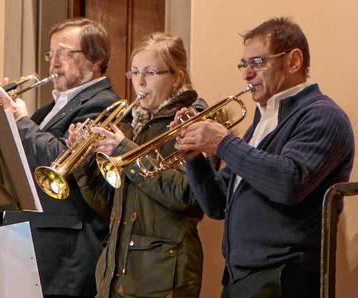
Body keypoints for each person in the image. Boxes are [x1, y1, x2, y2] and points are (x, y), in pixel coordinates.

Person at [175, 17, 355, 298]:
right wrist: (193, 156)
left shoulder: (322, 116)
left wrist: (224, 143)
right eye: (243, 65)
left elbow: (289, 182)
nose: (246, 74)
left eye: (257, 63)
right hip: (241, 275)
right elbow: (217, 204)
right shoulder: (260, 123)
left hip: (284, 275)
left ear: (294, 61)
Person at [68, 32, 207, 297]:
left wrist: (124, 150)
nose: (140, 82)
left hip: (163, 275)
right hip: (116, 273)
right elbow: (108, 204)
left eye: (151, 73)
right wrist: (83, 163)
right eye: (134, 73)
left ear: (177, 77)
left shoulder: (193, 121)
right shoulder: (128, 124)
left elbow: (185, 195)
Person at [0, 18, 118, 297]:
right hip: (25, 242)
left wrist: (21, 121)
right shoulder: (47, 110)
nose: (54, 62)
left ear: (96, 58)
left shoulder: (103, 103)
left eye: (64, 53)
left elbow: (65, 160)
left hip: (66, 251)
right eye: (52, 54)